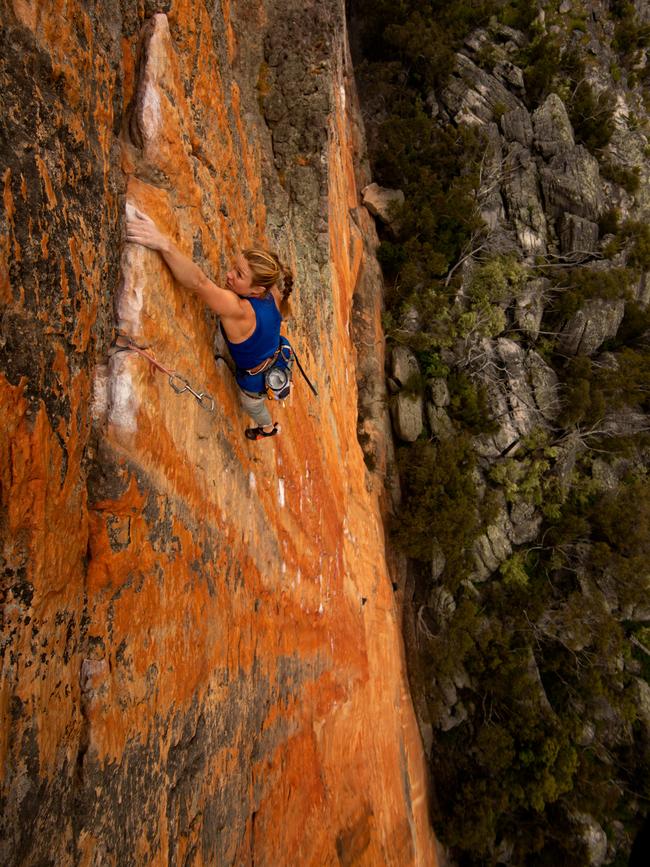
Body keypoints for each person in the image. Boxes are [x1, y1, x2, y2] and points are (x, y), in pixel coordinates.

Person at [125, 207, 293, 440]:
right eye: (235, 267)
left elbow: (199, 283)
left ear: (257, 290)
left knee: (252, 406)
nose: (229, 274)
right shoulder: (272, 293)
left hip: (255, 382)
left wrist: (162, 243)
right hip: (278, 354)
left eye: (239, 274)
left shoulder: (240, 311)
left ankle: (267, 428)